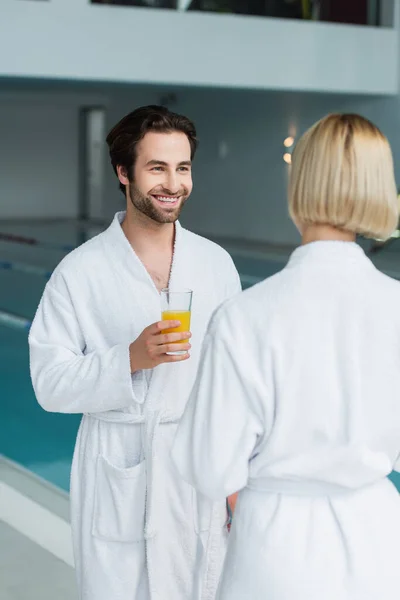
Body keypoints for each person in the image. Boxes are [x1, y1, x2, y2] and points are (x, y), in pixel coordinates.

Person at [172, 113, 400, 600]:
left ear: (300, 186)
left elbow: (209, 467)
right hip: (380, 546)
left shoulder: (245, 316)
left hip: (276, 552)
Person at [29, 105, 241, 600]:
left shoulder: (216, 264)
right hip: (120, 466)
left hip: (196, 470)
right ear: (123, 173)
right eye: (157, 168)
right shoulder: (79, 272)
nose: (174, 183)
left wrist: (238, 480)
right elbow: (48, 382)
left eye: (182, 167)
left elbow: (235, 380)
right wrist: (128, 359)